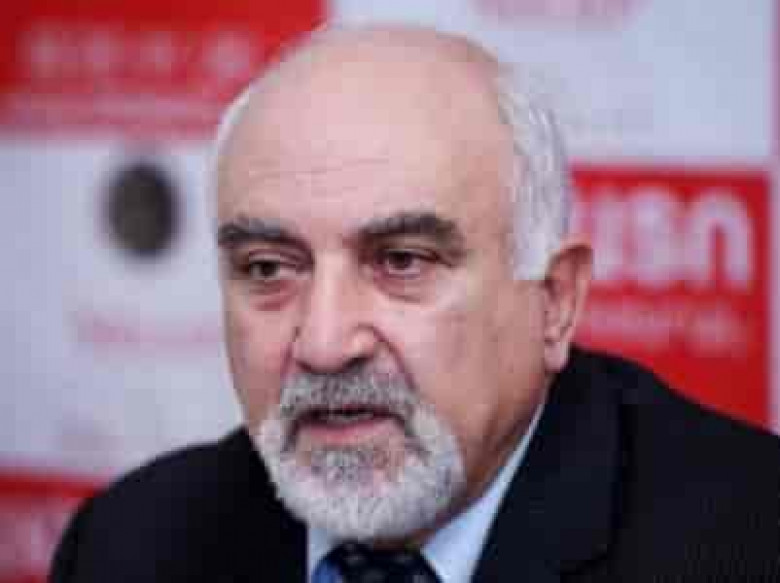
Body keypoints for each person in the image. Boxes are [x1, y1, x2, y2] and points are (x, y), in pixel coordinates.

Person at [50, 25, 780, 582]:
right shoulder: (132, 545)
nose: (325, 344)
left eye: (402, 261)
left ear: (555, 301)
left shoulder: (747, 543)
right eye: (268, 268)